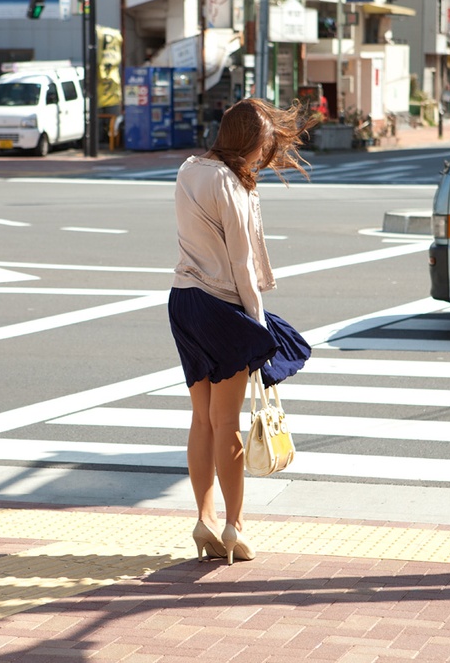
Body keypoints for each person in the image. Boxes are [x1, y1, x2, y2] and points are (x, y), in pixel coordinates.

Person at [168, 98, 313, 565]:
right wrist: (257, 321)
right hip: (222, 304)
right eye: (266, 145)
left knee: (201, 418)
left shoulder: (190, 170)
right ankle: (235, 526)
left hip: (184, 301)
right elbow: (240, 264)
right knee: (226, 421)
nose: (266, 156)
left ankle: (204, 519)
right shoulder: (232, 185)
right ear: (250, 141)